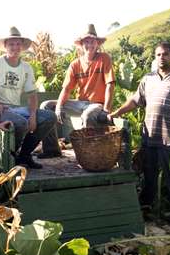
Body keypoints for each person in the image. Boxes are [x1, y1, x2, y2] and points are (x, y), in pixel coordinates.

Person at [108, 41, 170, 225]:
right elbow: (134, 101)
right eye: (158, 55)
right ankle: (146, 211)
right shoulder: (148, 79)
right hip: (149, 138)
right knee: (148, 175)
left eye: (165, 54)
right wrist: (117, 113)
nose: (161, 58)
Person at [0, 26, 57, 169]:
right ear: (6, 46)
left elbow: (32, 95)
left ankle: (24, 156)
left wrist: (32, 115)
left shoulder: (26, 68)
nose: (15, 47)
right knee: (20, 123)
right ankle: (9, 158)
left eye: (18, 44)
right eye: (11, 44)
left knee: (49, 117)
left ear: (22, 46)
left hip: (16, 109)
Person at [39, 24, 115, 158]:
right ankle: (51, 150)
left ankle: (89, 155)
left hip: (97, 104)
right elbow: (67, 89)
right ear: (81, 44)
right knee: (46, 106)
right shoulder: (75, 64)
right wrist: (58, 107)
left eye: (92, 41)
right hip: (80, 103)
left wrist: (107, 110)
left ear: (97, 43)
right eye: (86, 41)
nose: (89, 44)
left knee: (87, 116)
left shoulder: (104, 59)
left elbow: (110, 85)